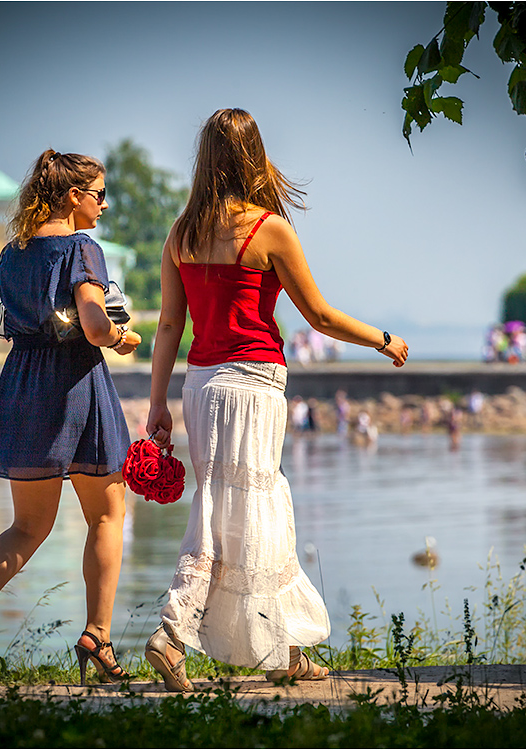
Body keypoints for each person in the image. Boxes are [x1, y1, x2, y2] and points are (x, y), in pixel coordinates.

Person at [143, 108, 408, 691]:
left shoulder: (181, 232)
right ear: (254, 156)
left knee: (223, 506)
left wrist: (157, 403)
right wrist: (384, 339)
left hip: (201, 386)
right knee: (252, 508)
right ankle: (172, 632)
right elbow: (320, 316)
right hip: (254, 382)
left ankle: (284, 648)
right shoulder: (269, 230)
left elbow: (167, 326)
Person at [0, 150, 141, 684]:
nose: (103, 204)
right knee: (105, 516)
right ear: (73, 197)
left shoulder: (13, 253)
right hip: (76, 387)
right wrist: (121, 336)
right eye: (98, 194)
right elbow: (93, 325)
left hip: (24, 387)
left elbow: (9, 324)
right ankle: (97, 636)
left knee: (27, 527)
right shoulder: (81, 249)